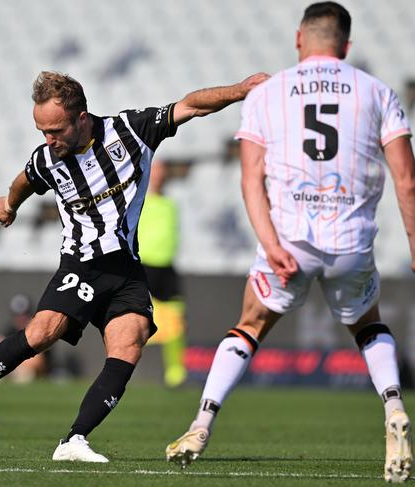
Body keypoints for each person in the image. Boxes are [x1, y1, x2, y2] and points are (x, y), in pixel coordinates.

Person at [0, 69, 268, 461]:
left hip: (127, 269)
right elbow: (23, 181)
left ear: (82, 118)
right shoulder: (47, 158)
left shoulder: (131, 131)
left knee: (129, 345)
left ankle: (74, 440)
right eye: (41, 131)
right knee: (42, 333)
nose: (48, 140)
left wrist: (240, 91)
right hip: (81, 264)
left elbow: (191, 106)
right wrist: (9, 205)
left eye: (56, 130)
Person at [165, 3, 415, 483]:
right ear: (345, 45)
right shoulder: (377, 92)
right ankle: (394, 406)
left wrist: (269, 242)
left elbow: (251, 178)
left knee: (250, 326)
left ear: (299, 39)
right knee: (367, 326)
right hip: (350, 241)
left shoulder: (267, 92)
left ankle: (201, 423)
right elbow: (405, 179)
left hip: (289, 240)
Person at [138, 160, 187, 387]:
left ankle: (176, 373)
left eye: (162, 173)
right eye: (155, 172)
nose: (159, 177)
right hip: (144, 267)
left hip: (166, 269)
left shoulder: (171, 204)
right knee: (136, 320)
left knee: (176, 321)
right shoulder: (138, 200)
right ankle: (124, 365)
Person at [0, 293, 50, 382]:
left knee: (25, 374)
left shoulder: (39, 331)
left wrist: (10, 361)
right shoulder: (11, 330)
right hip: (13, 369)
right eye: (17, 316)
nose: (20, 319)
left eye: (24, 315)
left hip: (36, 374)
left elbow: (38, 363)